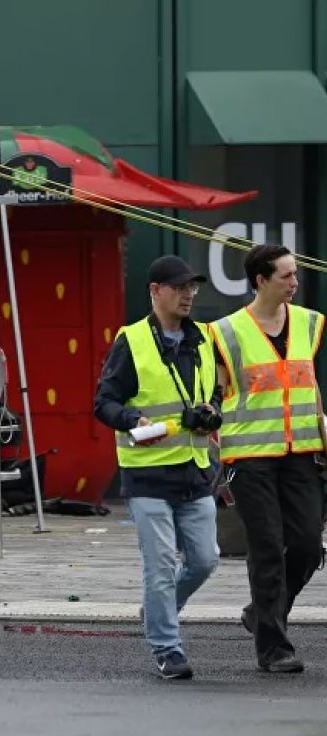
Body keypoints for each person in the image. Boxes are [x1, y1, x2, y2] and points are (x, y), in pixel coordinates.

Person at [95, 255, 221, 680]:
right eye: (179, 286)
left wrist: (211, 410)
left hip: (194, 470)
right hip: (148, 475)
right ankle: (167, 648)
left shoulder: (202, 337)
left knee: (205, 561)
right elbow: (104, 403)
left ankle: (156, 610)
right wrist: (134, 421)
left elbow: (213, 392)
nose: (189, 294)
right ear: (155, 291)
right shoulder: (132, 341)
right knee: (161, 565)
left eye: (193, 287)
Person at [210, 244, 325, 674]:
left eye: (296, 274)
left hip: (302, 454)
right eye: (286, 276)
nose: (295, 282)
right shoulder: (226, 332)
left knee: (309, 547)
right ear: (261, 280)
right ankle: (273, 647)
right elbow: (215, 391)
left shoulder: (310, 323)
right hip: (250, 456)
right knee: (266, 550)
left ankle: (262, 613)